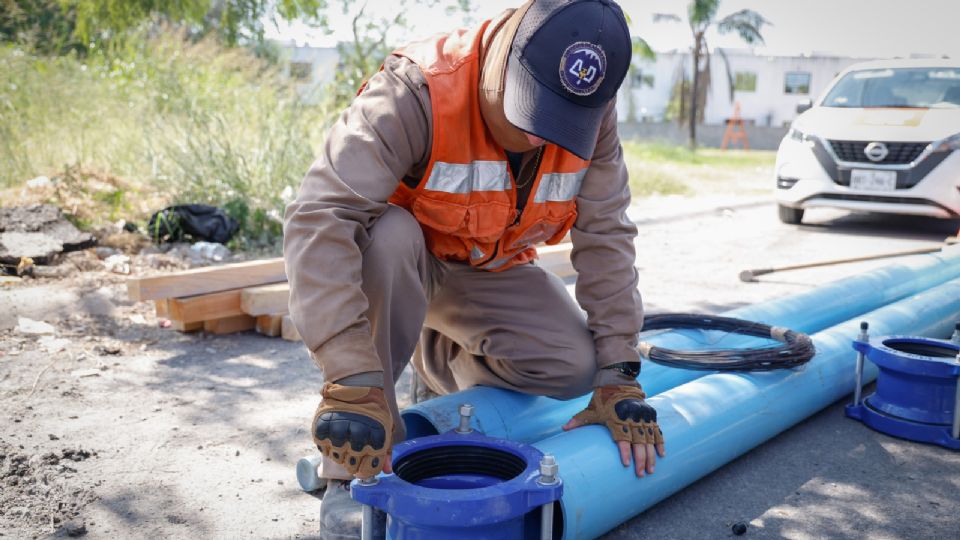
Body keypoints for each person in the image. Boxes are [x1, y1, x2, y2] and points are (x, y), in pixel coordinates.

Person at [283, 1, 664, 537]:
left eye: (563, 121)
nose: (544, 136)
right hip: (401, 264)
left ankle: (436, 366)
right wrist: (351, 376)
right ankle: (352, 470)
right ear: (506, 59)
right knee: (389, 236)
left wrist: (619, 375)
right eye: (536, 111)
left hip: (487, 270)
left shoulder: (593, 111)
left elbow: (607, 235)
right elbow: (320, 215)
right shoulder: (418, 90)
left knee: (577, 365)